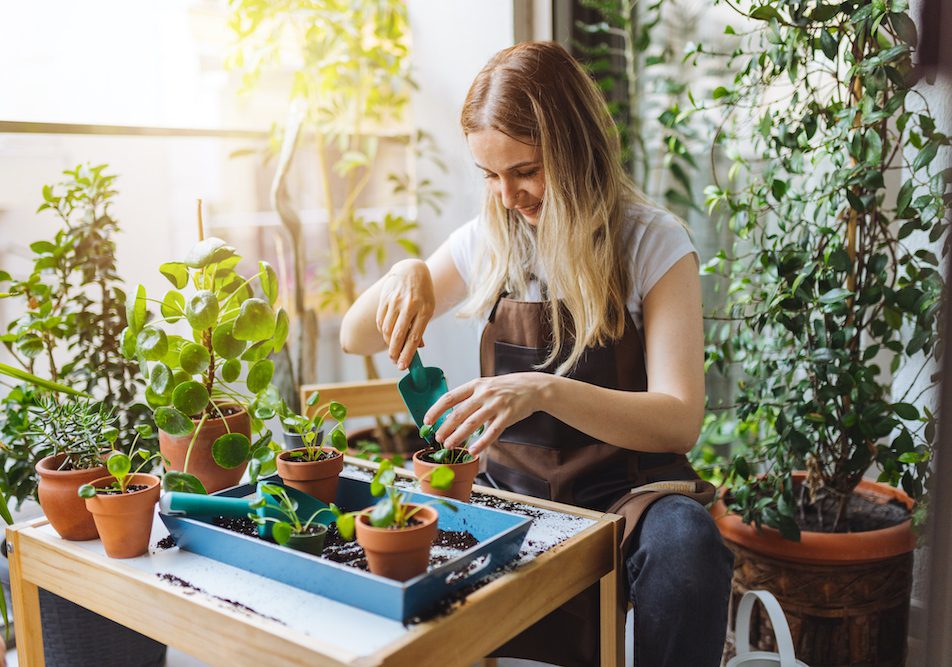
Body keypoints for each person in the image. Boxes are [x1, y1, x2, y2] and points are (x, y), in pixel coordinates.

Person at [340, 40, 733, 666]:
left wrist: (544, 389)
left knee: (689, 548)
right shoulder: (490, 242)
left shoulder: (652, 243)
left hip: (628, 494)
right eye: (490, 175)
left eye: (526, 170)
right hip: (508, 490)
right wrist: (406, 272)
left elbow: (679, 417)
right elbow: (355, 336)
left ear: (577, 149)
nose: (509, 196)